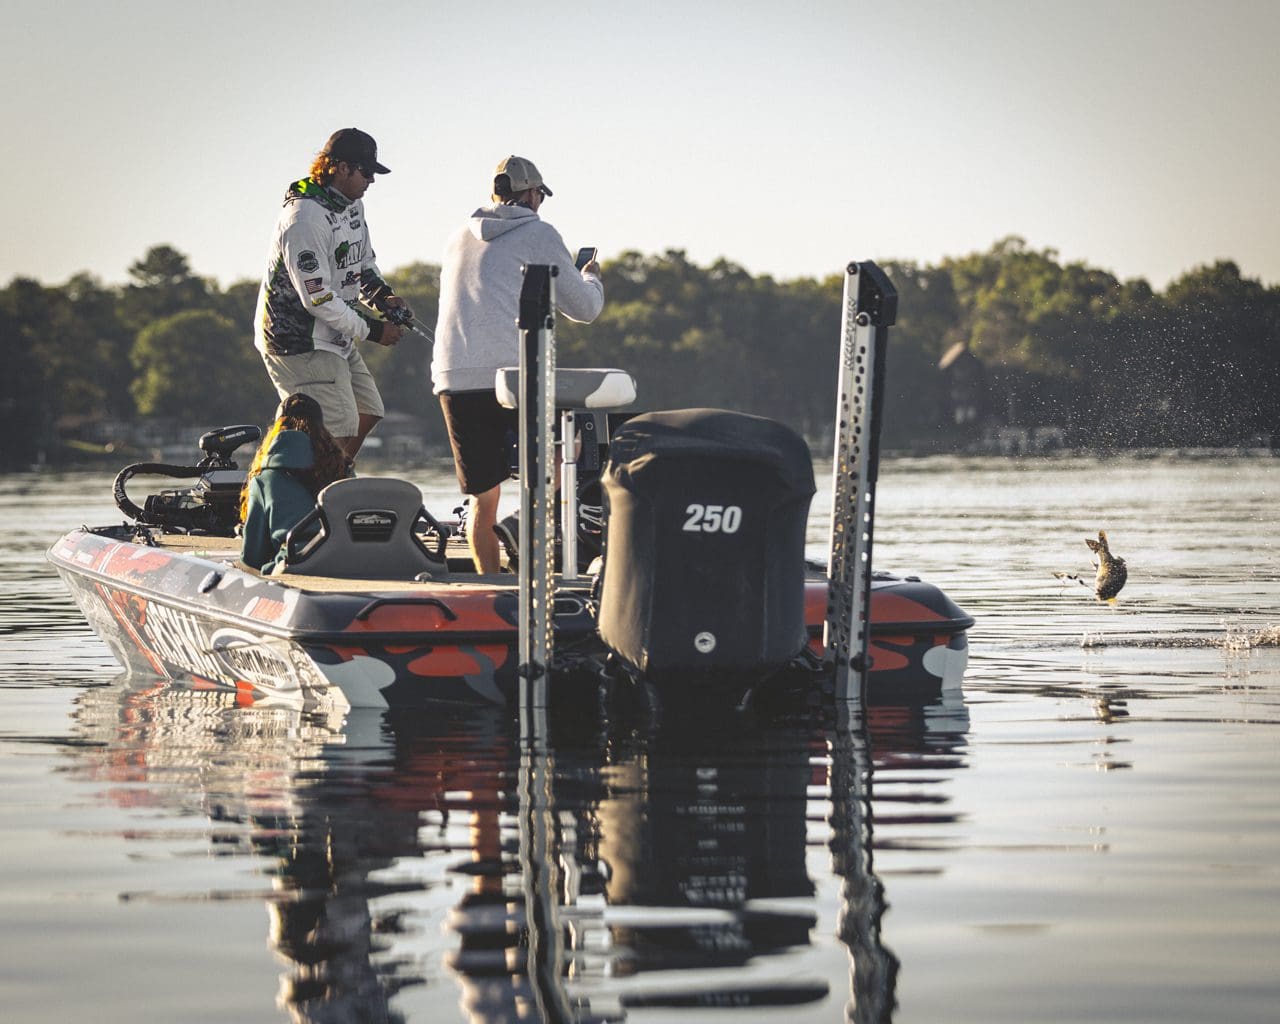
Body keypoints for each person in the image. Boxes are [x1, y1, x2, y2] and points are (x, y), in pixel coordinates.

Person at [432, 155, 605, 574]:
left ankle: (492, 592)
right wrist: (593, 276)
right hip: (514, 377)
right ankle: (520, 525)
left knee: (481, 499)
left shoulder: (457, 236)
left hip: (454, 377)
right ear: (530, 194)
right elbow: (583, 308)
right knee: (569, 449)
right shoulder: (538, 232)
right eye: (541, 195)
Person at [254, 128, 413, 461]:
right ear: (341, 168)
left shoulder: (353, 207)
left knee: (369, 410)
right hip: (297, 341)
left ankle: (334, 477)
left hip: (334, 334)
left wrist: (384, 297)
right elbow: (318, 298)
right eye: (366, 172)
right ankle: (313, 494)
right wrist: (374, 330)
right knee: (340, 425)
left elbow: (362, 263)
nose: (371, 180)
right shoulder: (303, 219)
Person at [240, 393, 352, 574]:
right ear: (321, 426)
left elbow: (252, 558)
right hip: (346, 561)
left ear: (276, 428)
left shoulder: (263, 478)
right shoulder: (343, 469)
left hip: (294, 565)